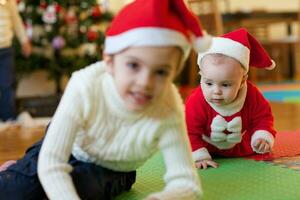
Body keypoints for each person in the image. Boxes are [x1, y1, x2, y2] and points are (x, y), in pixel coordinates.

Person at [0, 0, 212, 199]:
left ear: (174, 72)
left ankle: (22, 171)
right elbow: (52, 162)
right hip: (71, 144)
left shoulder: (168, 106)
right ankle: (19, 170)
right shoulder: (84, 85)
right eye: (133, 65)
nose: (144, 82)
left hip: (115, 167)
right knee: (16, 189)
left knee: (80, 187)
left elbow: (186, 182)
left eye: (161, 72)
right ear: (109, 61)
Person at [185, 28, 277, 170]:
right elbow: (188, 130)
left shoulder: (252, 96)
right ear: (201, 75)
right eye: (208, 83)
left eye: (226, 84)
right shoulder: (196, 100)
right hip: (205, 147)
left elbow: (263, 117)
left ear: (242, 81)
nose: (216, 91)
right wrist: (199, 156)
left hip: (241, 148)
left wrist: (261, 137)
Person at [0, 0, 32, 121]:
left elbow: (16, 21)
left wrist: (24, 41)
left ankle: (8, 119)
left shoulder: (9, 2)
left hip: (5, 50)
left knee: (7, 85)